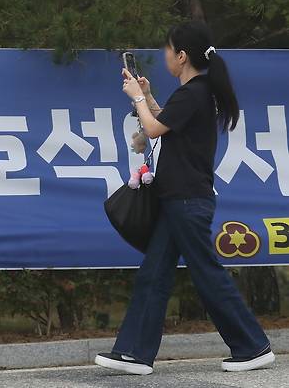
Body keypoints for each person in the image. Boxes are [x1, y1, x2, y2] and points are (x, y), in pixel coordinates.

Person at [95, 21, 274, 375]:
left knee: (206, 274)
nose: (164, 56)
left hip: (187, 200)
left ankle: (253, 346)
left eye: (167, 50)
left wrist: (135, 97)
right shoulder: (196, 92)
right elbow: (166, 119)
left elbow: (153, 128)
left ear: (181, 56)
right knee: (154, 274)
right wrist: (147, 97)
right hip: (178, 198)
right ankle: (134, 353)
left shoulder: (195, 91)